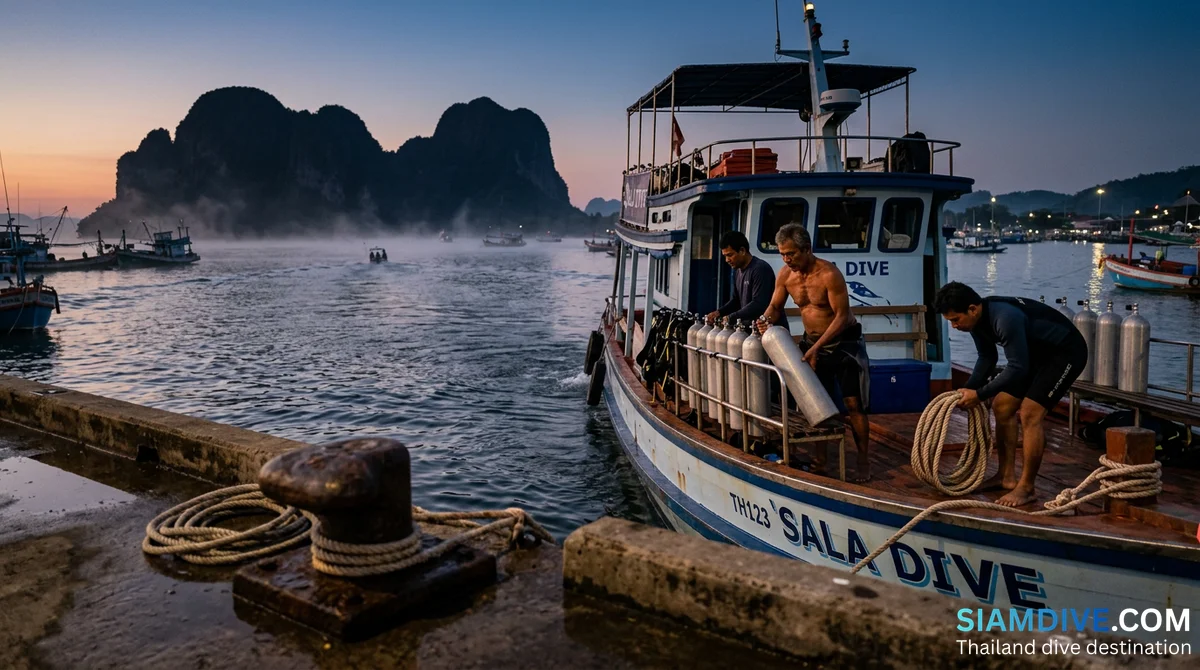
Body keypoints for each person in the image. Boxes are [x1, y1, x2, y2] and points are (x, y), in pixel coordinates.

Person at [932, 281, 1087, 507]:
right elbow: (987, 357)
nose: (954, 326)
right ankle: (1006, 477)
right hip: (1035, 354)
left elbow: (1017, 367)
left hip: (1065, 353)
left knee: (1030, 413)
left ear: (972, 309)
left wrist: (980, 394)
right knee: (1002, 406)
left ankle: (1027, 488)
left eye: (956, 320)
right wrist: (968, 389)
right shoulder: (976, 321)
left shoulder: (1005, 318)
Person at [758, 224, 871, 483]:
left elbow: (842, 316)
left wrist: (816, 348)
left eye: (792, 254)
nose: (787, 259)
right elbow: (775, 306)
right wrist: (764, 319)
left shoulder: (829, 274)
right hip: (812, 343)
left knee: (853, 404)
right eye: (783, 254)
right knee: (817, 404)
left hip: (844, 344)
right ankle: (821, 460)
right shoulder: (786, 275)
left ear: (807, 249)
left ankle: (863, 459)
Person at [706, 231, 788, 330]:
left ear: (742, 251)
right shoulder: (738, 272)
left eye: (730, 255)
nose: (727, 260)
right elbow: (736, 301)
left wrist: (731, 318)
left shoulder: (760, 269)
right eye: (725, 256)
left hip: (770, 331)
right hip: (751, 332)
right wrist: (719, 313)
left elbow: (759, 304)